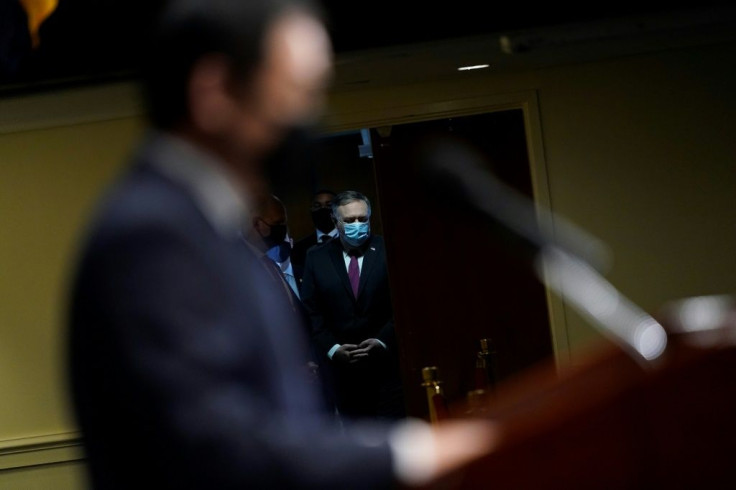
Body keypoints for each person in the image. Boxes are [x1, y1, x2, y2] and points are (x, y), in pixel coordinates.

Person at [66, 0, 495, 488]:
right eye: (297, 91)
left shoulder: (209, 225)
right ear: (215, 92)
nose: (311, 116)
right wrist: (408, 455)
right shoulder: (151, 236)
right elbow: (210, 447)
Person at [301, 190, 405, 422]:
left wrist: (382, 341)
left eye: (362, 218)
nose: (357, 224)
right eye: (349, 220)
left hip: (387, 371)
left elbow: (402, 302)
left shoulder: (388, 248)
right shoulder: (316, 257)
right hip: (343, 376)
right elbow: (312, 311)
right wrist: (333, 349)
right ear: (336, 222)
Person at [291, 188, 338, 267]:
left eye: (329, 205)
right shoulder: (299, 248)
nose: (323, 209)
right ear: (311, 209)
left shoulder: (351, 242)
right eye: (317, 206)